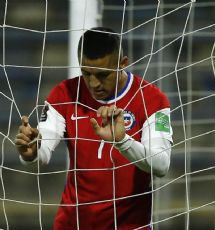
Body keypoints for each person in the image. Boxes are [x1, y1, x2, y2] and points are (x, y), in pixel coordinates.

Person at [14, 27, 173, 230]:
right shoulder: (65, 94)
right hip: (73, 223)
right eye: (86, 73)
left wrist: (122, 141)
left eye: (103, 74)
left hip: (130, 225)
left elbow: (161, 165)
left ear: (123, 63)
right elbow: (44, 149)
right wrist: (31, 152)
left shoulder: (152, 99)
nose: (93, 83)